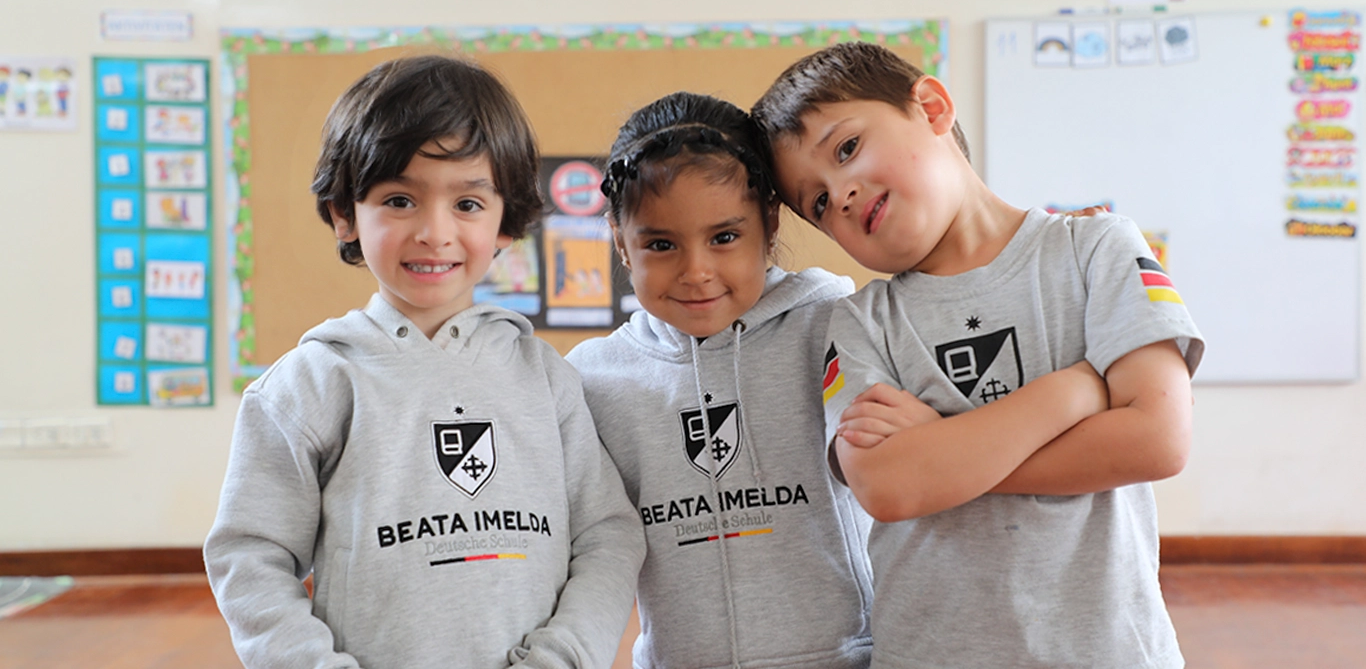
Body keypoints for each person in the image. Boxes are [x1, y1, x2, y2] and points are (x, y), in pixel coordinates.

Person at [751, 42, 1204, 669]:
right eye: (819, 202)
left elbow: (1156, 439)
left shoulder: (1096, 249)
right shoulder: (857, 322)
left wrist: (945, 450)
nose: (843, 196)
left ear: (932, 107)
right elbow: (888, 484)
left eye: (847, 148)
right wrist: (1072, 393)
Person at [204, 55, 645, 669]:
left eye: (467, 204)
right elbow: (250, 557)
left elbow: (608, 534)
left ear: (505, 223)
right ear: (343, 215)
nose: (435, 232)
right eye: (399, 200)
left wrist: (563, 655)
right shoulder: (311, 385)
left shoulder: (545, 378)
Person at [566, 92, 876, 669]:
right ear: (619, 241)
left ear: (770, 222)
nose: (696, 271)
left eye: (724, 237)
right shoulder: (592, 378)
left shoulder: (836, 323)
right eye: (660, 244)